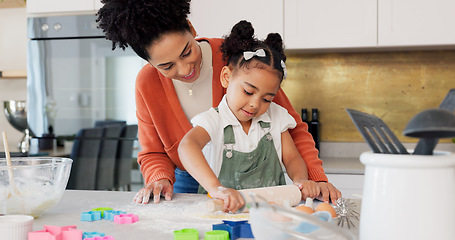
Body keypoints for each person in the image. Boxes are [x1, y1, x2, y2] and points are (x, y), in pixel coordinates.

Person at [96, 0, 341, 205]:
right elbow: (153, 151)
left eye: (186, 52)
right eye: (167, 66)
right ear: (149, 62)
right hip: (188, 179)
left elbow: (290, 128)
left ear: (191, 29)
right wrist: (159, 178)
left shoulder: (239, 58)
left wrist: (316, 178)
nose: (184, 69)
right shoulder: (147, 83)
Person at [178, 20, 322, 213]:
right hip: (223, 215)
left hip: (271, 214)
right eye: (248, 91)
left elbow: (292, 157)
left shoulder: (275, 117)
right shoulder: (214, 120)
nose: (255, 104)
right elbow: (187, 146)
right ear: (226, 77)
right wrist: (216, 188)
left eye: (267, 99)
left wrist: (301, 179)